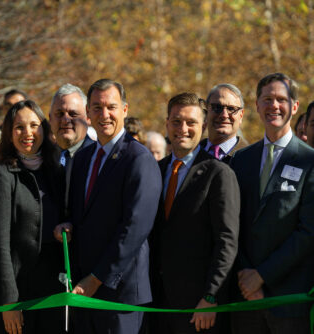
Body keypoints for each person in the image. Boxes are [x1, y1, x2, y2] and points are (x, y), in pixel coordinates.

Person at [55, 79, 162, 333]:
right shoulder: (82, 158)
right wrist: (67, 225)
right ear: (88, 114)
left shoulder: (139, 159)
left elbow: (135, 229)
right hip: (84, 293)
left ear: (124, 110)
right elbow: (82, 214)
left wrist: (96, 279)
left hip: (120, 295)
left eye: (111, 107)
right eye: (96, 108)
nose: (104, 115)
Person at [230, 73, 314, 334]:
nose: (273, 106)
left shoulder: (309, 161)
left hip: (287, 300)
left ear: (295, 107)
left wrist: (262, 276)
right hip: (244, 298)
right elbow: (232, 225)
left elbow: (308, 232)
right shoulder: (240, 160)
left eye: (281, 99)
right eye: (267, 99)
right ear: (256, 105)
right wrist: (246, 276)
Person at [151, 92, 240, 333]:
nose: (183, 128)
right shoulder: (154, 171)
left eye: (191, 122)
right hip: (157, 304)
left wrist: (211, 296)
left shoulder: (218, 174)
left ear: (202, 126)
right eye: (177, 121)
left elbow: (227, 241)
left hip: (199, 309)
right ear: (167, 124)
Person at [0, 100, 64, 334]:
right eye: (19, 127)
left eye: (34, 125)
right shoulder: (1, 176)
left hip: (54, 292)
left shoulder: (56, 171)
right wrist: (8, 302)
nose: (27, 133)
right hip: (19, 292)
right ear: (9, 134)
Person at [49, 83, 94, 216]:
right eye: (59, 114)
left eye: (73, 114)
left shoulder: (98, 159)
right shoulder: (42, 159)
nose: (65, 120)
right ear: (50, 118)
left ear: (88, 118)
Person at [201, 83, 249, 163]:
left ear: (241, 116)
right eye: (217, 107)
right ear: (206, 111)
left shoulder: (252, 158)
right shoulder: (190, 152)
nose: (224, 115)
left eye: (231, 109)